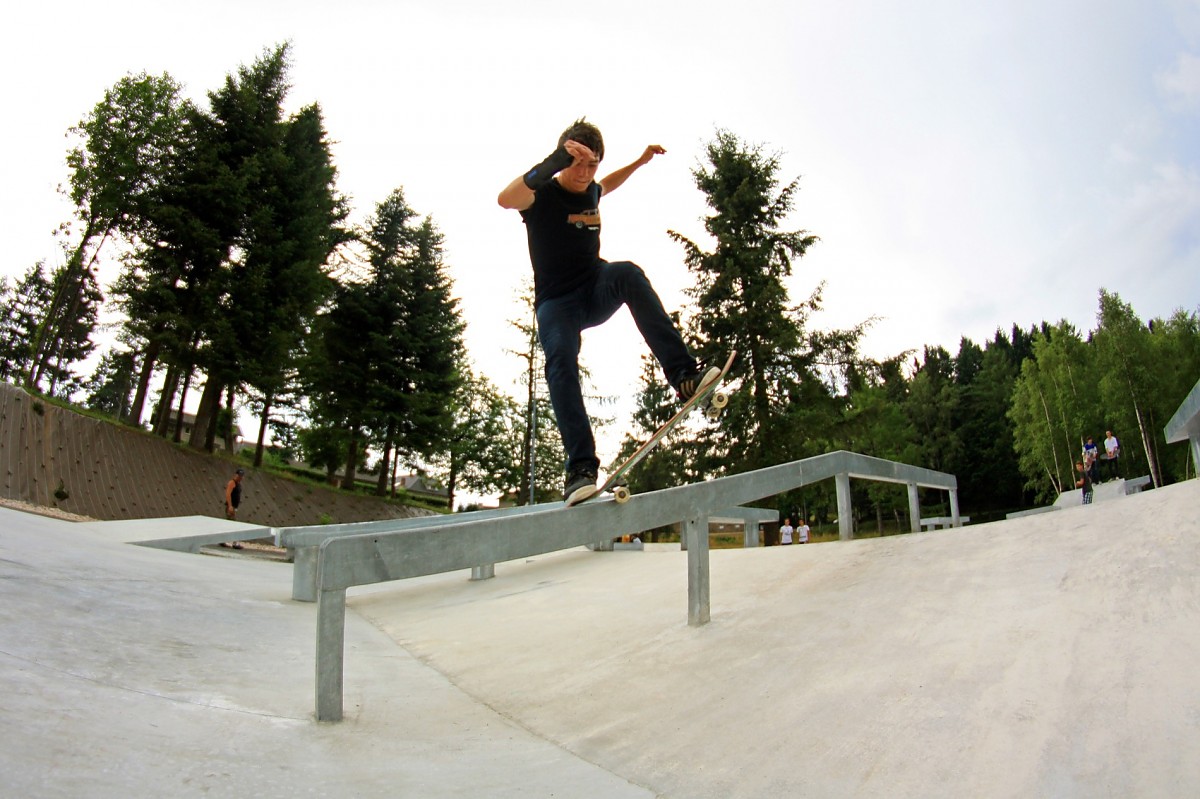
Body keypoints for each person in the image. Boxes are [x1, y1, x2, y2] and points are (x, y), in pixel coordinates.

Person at [498, 119, 719, 505]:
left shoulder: (593, 189)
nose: (585, 174)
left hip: (595, 287)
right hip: (557, 304)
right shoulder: (542, 196)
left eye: (592, 165)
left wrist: (640, 161)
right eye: (578, 164)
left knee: (629, 273)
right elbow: (505, 198)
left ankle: (683, 375)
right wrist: (553, 161)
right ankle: (581, 467)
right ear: (564, 159)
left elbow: (610, 183)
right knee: (560, 361)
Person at [221, 468, 245, 548]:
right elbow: (228, 494)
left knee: (227, 524)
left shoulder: (239, 484)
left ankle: (222, 540)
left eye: (241, 476)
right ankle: (235, 543)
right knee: (234, 524)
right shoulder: (232, 483)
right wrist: (230, 505)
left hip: (234, 507)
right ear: (236, 475)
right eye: (239, 475)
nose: (240, 477)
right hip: (230, 507)